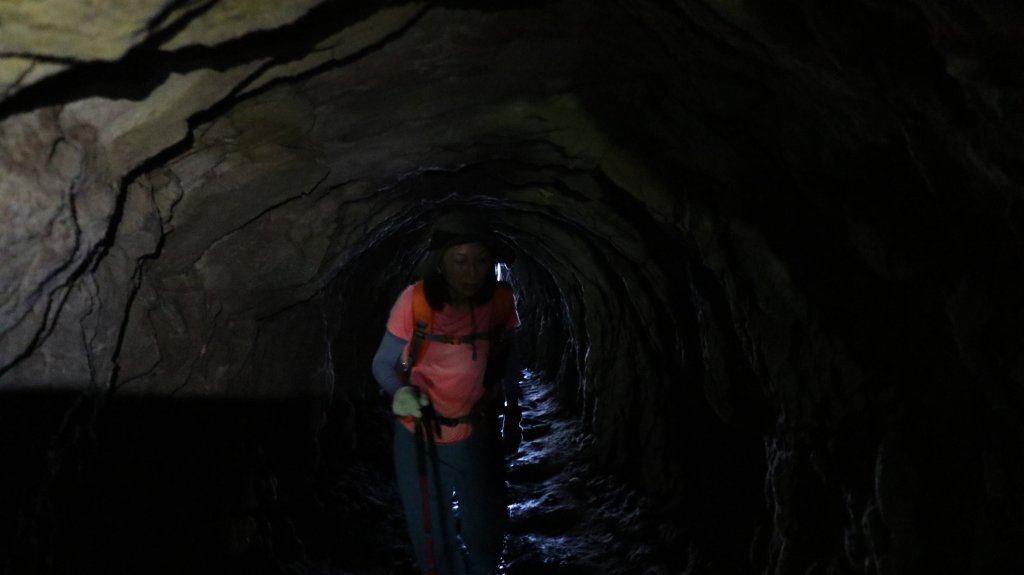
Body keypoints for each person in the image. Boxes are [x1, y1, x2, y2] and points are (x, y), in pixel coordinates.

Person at [371, 212, 523, 575]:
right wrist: (400, 391)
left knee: (487, 532)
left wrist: (514, 416)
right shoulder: (416, 302)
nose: (471, 271)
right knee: (431, 540)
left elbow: (511, 360)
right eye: (460, 261)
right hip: (419, 436)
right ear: (441, 262)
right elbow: (382, 363)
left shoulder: (500, 301)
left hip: (477, 432)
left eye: (481, 260)